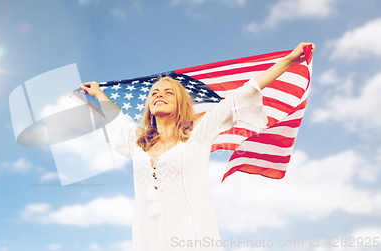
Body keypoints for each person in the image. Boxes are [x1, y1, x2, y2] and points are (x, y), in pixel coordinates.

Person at [79, 43, 315, 251]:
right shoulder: (138, 142)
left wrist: (286, 62)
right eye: (155, 93)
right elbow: (118, 121)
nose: (159, 95)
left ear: (180, 102)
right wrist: (98, 93)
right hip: (147, 239)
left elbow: (240, 96)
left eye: (168, 92)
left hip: (190, 237)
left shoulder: (198, 134)